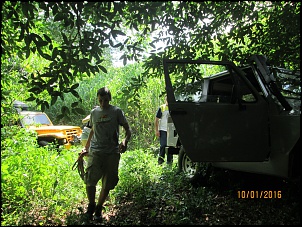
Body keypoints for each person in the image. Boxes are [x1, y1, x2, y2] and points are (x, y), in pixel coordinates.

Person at [81, 87, 132, 223]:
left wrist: (125, 141)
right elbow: (92, 130)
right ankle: (91, 207)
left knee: (107, 183)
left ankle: (99, 208)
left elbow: (128, 129)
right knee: (90, 180)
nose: (103, 103)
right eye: (100, 100)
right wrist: (86, 148)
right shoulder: (94, 113)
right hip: (96, 152)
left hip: (112, 153)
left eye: (105, 100)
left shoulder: (116, 112)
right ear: (98, 100)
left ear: (109, 99)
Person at [154, 96, 173, 165]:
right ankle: (160, 160)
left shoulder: (174, 108)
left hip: (171, 130)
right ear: (165, 100)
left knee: (171, 146)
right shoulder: (162, 107)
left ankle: (169, 162)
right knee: (163, 145)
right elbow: (156, 120)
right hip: (163, 129)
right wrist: (156, 130)